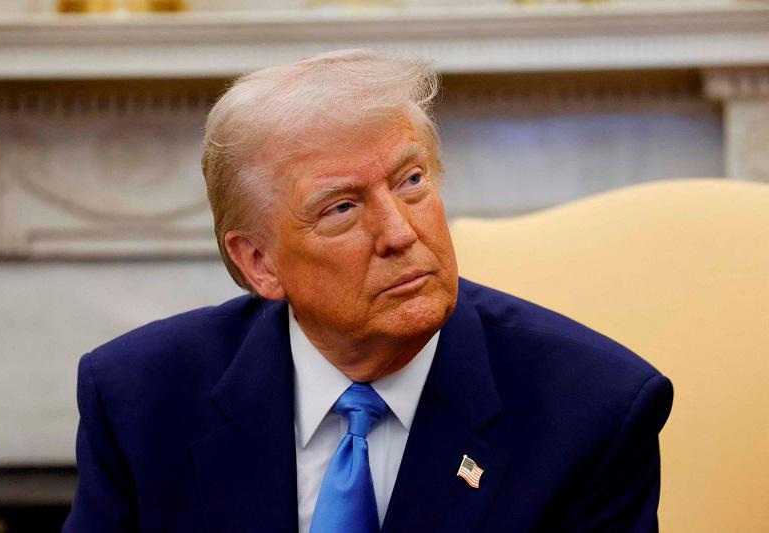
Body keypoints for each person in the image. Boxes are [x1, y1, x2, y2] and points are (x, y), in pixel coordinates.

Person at [63, 49, 673, 533]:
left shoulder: (594, 411)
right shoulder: (140, 399)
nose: (401, 233)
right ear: (258, 262)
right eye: (342, 208)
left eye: (411, 181)